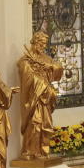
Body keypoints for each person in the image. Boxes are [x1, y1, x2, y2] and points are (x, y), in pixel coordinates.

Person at [17, 29, 62, 160]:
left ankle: (42, 151)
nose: (43, 47)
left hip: (45, 100)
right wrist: (43, 86)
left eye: (44, 44)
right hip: (34, 100)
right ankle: (30, 151)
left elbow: (57, 69)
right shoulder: (25, 61)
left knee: (46, 125)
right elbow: (27, 78)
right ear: (35, 42)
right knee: (34, 124)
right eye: (41, 44)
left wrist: (52, 67)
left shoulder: (46, 59)